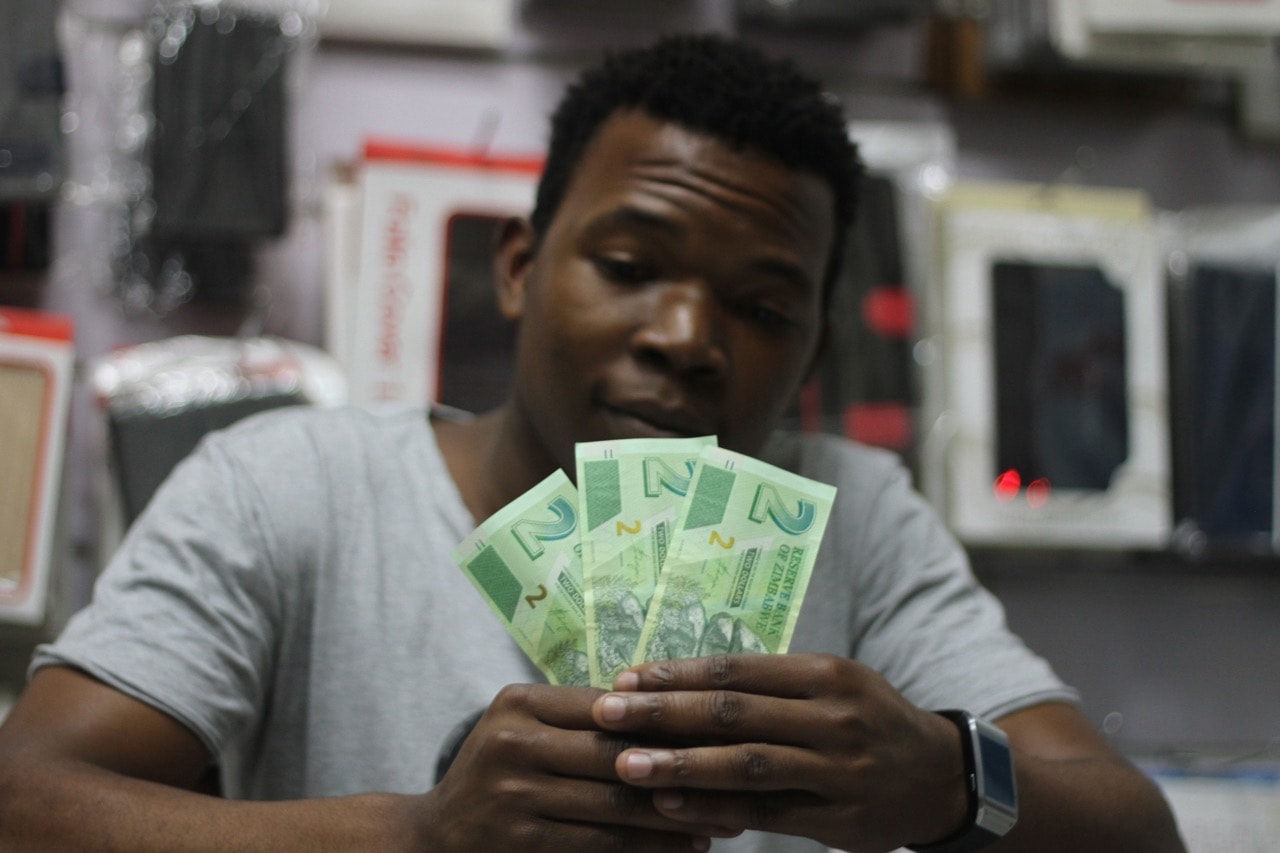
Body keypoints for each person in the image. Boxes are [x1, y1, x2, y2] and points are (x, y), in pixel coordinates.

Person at [0, 33, 1183, 853]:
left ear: (812, 353)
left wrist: (941, 780)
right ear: (518, 267)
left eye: (762, 308)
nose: (684, 337)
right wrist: (418, 835)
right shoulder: (287, 486)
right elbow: (24, 804)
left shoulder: (855, 515)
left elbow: (1134, 828)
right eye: (628, 266)